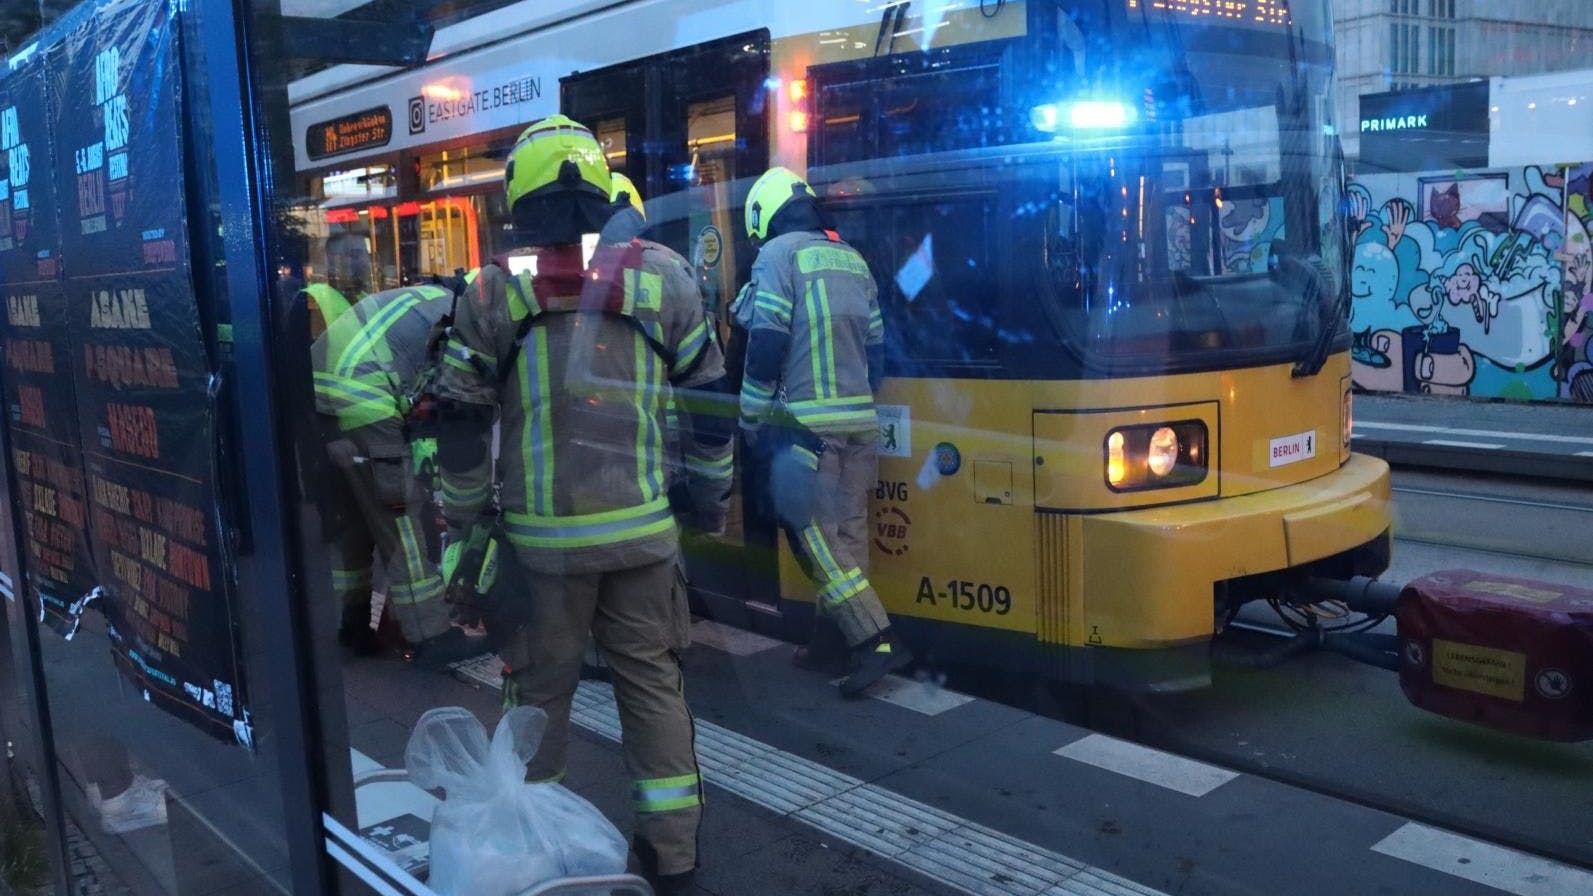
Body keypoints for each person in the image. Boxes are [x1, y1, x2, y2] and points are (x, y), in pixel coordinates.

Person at [434, 115, 733, 894]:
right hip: (642, 538)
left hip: (541, 552)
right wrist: (709, 497)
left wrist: (465, 524)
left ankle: (541, 858)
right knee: (653, 691)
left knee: (539, 699)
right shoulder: (665, 276)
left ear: (517, 194)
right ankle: (674, 859)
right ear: (600, 189)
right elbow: (710, 406)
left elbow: (461, 422)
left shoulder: (494, 287)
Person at [736, 166, 912, 696]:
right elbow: (877, 352)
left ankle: (876, 640)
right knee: (849, 535)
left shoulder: (776, 257)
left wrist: (750, 416)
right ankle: (828, 642)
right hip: (860, 422)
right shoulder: (852, 258)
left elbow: (766, 342)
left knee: (812, 539)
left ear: (764, 217)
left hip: (807, 430)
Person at [311, 283, 482, 663]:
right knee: (400, 520)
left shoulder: (428, 297)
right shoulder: (464, 319)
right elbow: (451, 391)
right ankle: (431, 634)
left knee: (355, 523)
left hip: (319, 398)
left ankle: (353, 624)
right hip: (364, 399)